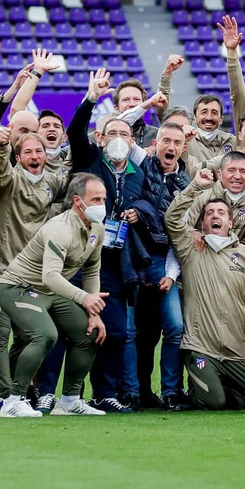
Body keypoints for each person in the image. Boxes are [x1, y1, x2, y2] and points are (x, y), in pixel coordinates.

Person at [165, 170, 245, 411]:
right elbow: (172, 219)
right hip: (201, 347)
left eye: (221, 213)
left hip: (237, 352)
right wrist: (195, 187)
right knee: (214, 403)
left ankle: (219, 383)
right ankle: (199, 388)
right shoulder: (191, 248)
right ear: (202, 223)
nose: (215, 216)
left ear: (230, 222)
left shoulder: (244, 254)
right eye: (209, 213)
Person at [0, 173, 110, 418]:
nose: (102, 205)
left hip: (50, 292)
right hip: (18, 287)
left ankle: (69, 401)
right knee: (45, 335)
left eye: (104, 199)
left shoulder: (98, 227)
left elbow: (92, 270)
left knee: (92, 332)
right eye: (96, 199)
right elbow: (51, 276)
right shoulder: (59, 228)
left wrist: (93, 311)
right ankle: (12, 401)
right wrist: (84, 299)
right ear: (78, 201)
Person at [68, 68, 147, 412]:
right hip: (78, 258)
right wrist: (91, 98)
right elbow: (73, 132)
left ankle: (105, 392)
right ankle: (61, 393)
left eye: (124, 133)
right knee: (71, 330)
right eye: (111, 132)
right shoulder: (89, 161)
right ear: (100, 137)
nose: (117, 138)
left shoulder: (138, 173)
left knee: (114, 331)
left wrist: (138, 213)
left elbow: (148, 205)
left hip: (114, 262)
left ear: (132, 141)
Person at [0, 127, 68, 412]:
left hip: (28, 278)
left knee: (29, 336)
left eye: (39, 151)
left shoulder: (51, 182)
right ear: (18, 157)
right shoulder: (10, 179)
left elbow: (74, 179)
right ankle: (3, 396)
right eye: (27, 151)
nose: (34, 156)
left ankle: (16, 391)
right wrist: (1, 147)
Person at [127, 122, 193, 410]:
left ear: (183, 148)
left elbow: (181, 236)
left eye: (176, 142)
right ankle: (130, 392)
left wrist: (170, 273)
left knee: (175, 327)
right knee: (133, 331)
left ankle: (170, 392)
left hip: (164, 261)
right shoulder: (142, 162)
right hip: (131, 257)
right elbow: (122, 129)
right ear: (156, 144)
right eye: (165, 140)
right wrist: (150, 102)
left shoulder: (188, 185)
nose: (170, 146)